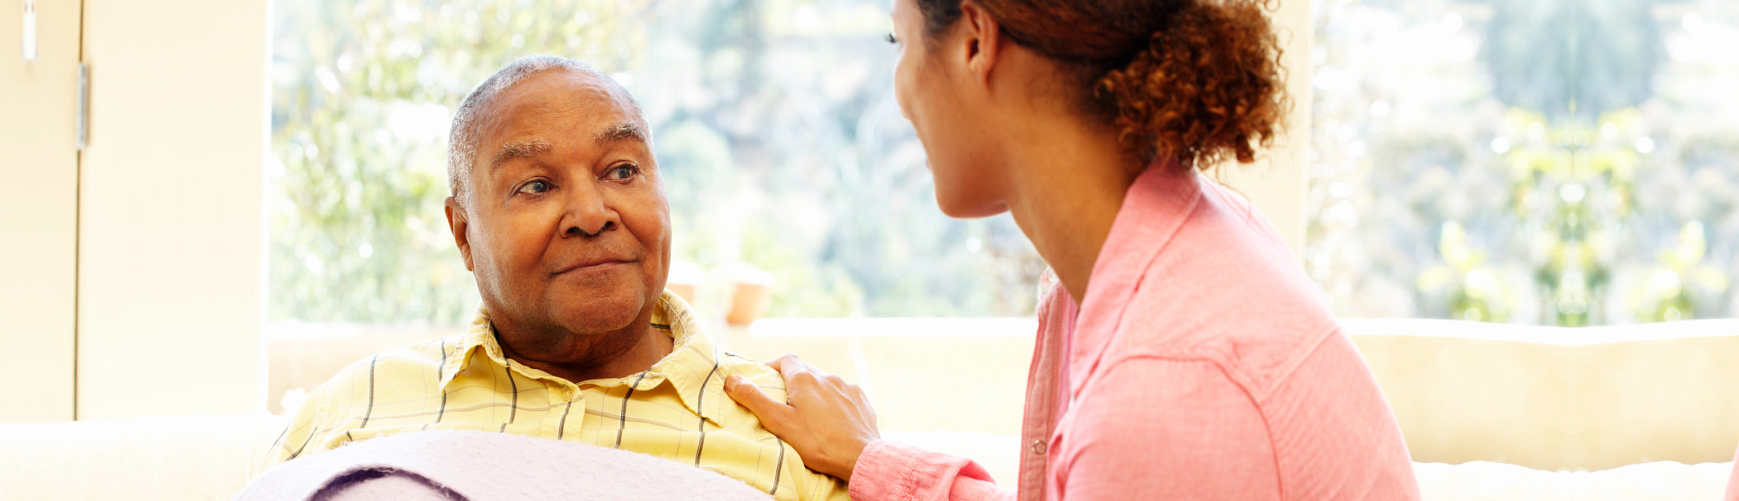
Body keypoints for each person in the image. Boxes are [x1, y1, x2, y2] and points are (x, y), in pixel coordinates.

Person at [722, 0, 1422, 499]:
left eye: (897, 43)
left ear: (973, 40)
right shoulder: (1167, 247)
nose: (900, 92)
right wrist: (872, 460)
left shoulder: (1165, 389)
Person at [266, 55, 847, 501]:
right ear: (464, 234)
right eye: (536, 185)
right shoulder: (352, 412)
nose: (593, 214)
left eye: (622, 170)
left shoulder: (802, 430)